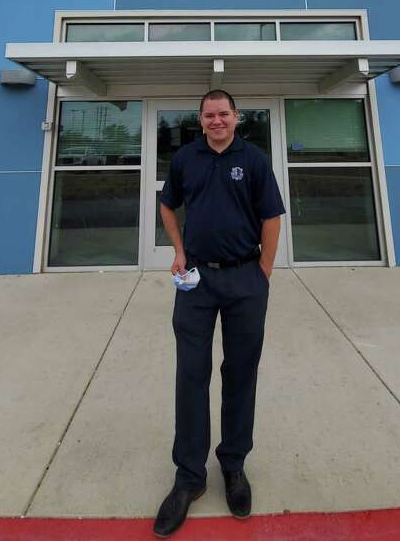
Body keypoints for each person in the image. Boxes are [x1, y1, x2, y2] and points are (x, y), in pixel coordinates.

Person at [153, 90, 285, 538]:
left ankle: (233, 465)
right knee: (191, 373)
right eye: (209, 115)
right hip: (195, 281)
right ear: (200, 119)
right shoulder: (186, 158)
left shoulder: (254, 159)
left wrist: (262, 273)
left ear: (236, 117)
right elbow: (167, 204)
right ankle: (189, 478)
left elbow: (271, 217)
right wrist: (178, 249)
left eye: (223, 114)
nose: (216, 121)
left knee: (241, 372)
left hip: (245, 279)